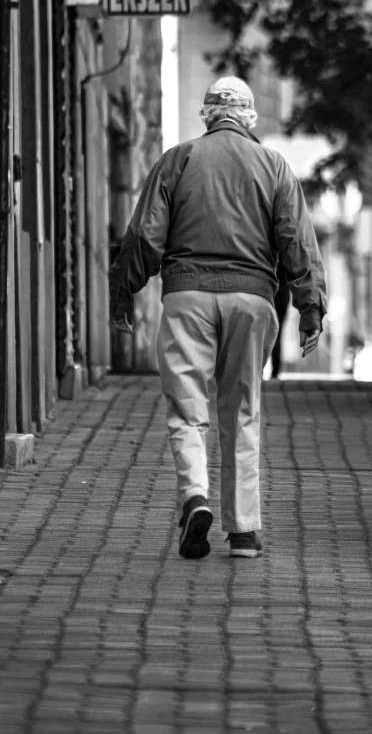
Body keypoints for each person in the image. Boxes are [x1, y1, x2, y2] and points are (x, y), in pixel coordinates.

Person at [109, 76, 327, 560]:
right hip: (251, 300)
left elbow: (146, 236)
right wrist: (309, 307)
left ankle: (195, 497)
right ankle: (244, 532)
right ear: (250, 116)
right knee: (242, 412)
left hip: (186, 296)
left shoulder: (178, 160)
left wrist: (122, 292)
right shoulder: (274, 166)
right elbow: (296, 243)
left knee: (188, 410)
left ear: (207, 114)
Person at [270, 260, 291, 379]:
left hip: (267, 290)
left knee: (261, 331)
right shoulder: (284, 248)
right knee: (277, 332)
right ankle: (275, 371)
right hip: (283, 292)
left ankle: (260, 369)